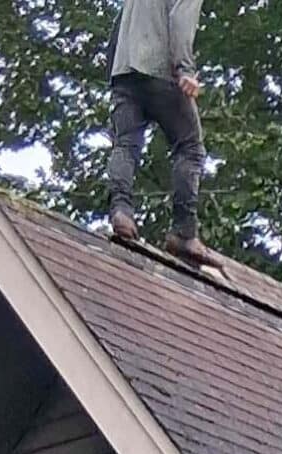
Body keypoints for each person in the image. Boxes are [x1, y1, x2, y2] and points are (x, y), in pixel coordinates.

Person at [107, 0, 222, 267]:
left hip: (124, 71)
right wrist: (185, 70)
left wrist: (115, 72)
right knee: (190, 148)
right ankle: (184, 233)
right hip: (159, 70)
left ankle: (121, 212)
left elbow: (119, 25)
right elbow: (181, 19)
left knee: (125, 145)